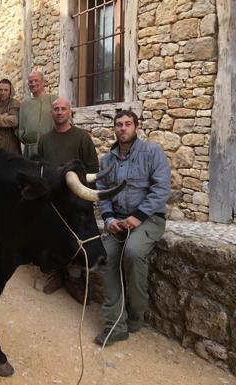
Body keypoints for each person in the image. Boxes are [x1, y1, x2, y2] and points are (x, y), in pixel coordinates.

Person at [94, 110, 170, 346]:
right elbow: (103, 193)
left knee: (134, 252)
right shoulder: (107, 161)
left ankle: (136, 313)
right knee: (104, 257)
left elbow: (161, 189)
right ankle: (115, 324)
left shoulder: (152, 152)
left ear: (136, 127)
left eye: (128, 124)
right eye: (119, 124)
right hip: (118, 221)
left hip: (148, 219)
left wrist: (137, 217)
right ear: (114, 129)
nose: (123, 128)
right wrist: (108, 219)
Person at [37, 97, 99, 303]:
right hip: (53, 201)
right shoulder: (44, 140)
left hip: (75, 202)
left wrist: (83, 198)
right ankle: (57, 274)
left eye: (63, 109)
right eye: (56, 109)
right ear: (51, 113)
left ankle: (74, 279)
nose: (60, 112)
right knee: (53, 237)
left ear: (70, 112)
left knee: (75, 239)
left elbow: (92, 169)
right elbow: (42, 169)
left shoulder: (82, 138)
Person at [17, 71, 56, 157]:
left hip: (50, 148)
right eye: (30, 81)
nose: (33, 84)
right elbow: (21, 129)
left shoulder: (53, 99)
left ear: (43, 82)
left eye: (36, 80)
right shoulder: (24, 105)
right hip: (30, 150)